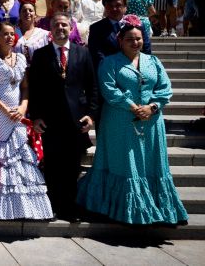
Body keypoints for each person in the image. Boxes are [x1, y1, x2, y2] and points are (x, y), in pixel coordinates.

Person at [77, 18, 188, 225]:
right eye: (130, 39)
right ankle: (123, 209)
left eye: (138, 39)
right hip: (120, 122)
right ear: (120, 40)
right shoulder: (109, 62)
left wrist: (152, 107)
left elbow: (165, 89)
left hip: (151, 122)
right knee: (125, 165)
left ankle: (157, 208)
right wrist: (132, 105)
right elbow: (108, 89)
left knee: (150, 164)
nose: (135, 42)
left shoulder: (153, 62)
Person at [0, 22, 53, 220]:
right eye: (5, 34)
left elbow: (26, 88)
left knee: (20, 153)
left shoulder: (21, 58)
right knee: (1, 155)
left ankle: (22, 207)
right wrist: (4, 109)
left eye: (12, 34)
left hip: (18, 113)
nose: (10, 37)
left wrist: (22, 108)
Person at [29, 13, 98, 222]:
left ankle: (69, 207)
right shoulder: (41, 55)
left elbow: (92, 87)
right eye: (57, 25)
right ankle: (52, 205)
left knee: (72, 166)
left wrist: (91, 115)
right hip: (50, 121)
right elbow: (34, 89)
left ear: (71, 28)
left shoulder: (83, 53)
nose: (61, 28)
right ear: (51, 29)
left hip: (76, 121)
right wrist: (36, 117)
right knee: (52, 165)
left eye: (65, 25)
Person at [88, 0, 151, 71]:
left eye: (118, 5)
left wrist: (140, 67)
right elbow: (96, 53)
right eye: (110, 6)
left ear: (125, 7)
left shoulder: (137, 25)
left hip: (136, 69)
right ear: (105, 8)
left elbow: (146, 48)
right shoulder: (96, 28)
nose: (114, 9)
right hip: (109, 71)